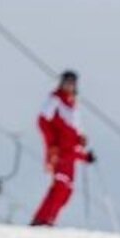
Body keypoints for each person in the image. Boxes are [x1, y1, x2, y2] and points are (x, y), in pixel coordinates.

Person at [31, 70, 96, 227]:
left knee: (67, 190)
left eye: (72, 83)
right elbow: (42, 122)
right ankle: (41, 220)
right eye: (66, 82)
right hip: (59, 152)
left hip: (70, 154)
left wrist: (83, 150)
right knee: (60, 186)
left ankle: (50, 219)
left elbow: (74, 133)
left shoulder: (73, 104)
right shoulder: (55, 100)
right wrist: (52, 144)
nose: (69, 86)